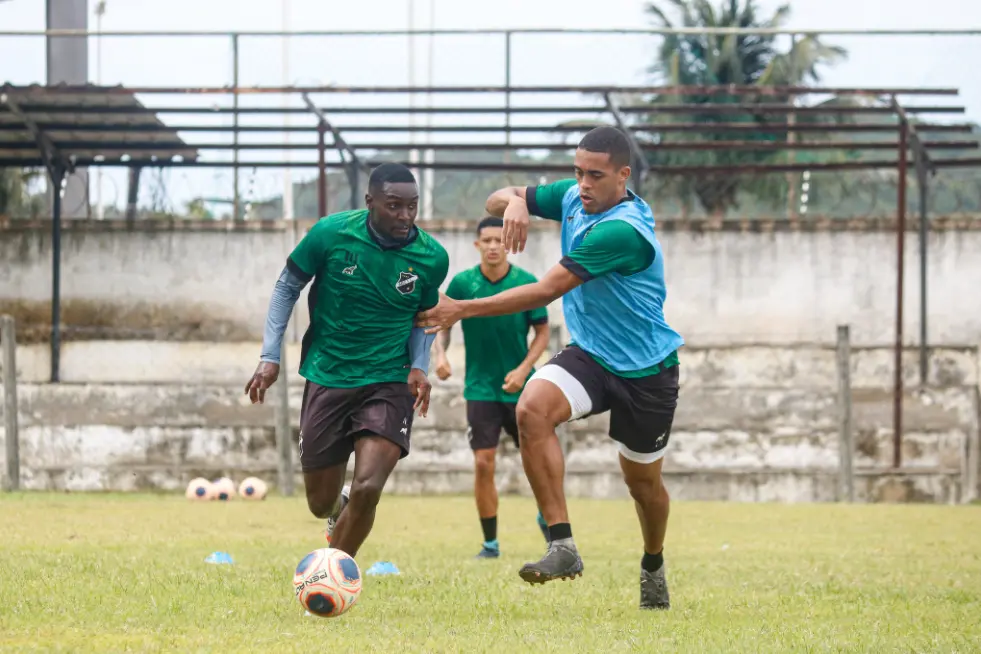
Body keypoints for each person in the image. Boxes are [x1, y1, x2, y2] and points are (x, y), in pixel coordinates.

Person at [417, 126, 683, 610]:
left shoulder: (622, 230)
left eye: (595, 175)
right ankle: (562, 545)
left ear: (623, 175)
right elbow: (497, 197)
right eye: (578, 172)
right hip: (592, 354)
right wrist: (515, 203)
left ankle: (653, 563)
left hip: (646, 370)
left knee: (643, 485)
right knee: (532, 409)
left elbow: (545, 291)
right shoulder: (572, 197)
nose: (583, 184)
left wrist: (460, 309)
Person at [245, 162, 449, 560]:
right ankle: (338, 511)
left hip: (389, 379)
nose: (405, 216)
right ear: (370, 201)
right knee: (320, 502)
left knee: (368, 488)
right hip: (329, 374)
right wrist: (270, 356)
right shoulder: (331, 233)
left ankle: (332, 573)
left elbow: (424, 319)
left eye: (412, 206)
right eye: (394, 205)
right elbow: (287, 287)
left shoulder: (431, 257)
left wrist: (419, 365)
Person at [432, 216, 552, 559]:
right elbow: (443, 323)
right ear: (477, 245)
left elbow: (542, 332)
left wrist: (524, 370)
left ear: (508, 244)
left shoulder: (527, 284)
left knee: (537, 462)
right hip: (480, 389)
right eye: (487, 240)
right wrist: (440, 354)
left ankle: (549, 519)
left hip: (521, 389)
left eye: (500, 239)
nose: (493, 246)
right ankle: (490, 544)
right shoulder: (462, 284)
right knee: (484, 463)